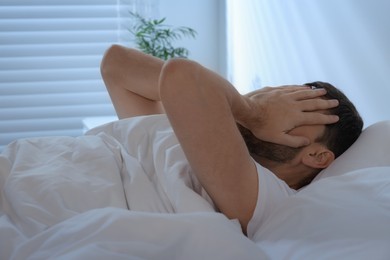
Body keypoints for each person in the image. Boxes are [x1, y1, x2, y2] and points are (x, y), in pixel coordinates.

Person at [100, 44, 363, 236]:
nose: (278, 106)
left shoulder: (269, 198)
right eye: (283, 97)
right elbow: (115, 64)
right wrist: (250, 111)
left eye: (299, 109)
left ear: (317, 156)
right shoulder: (189, 141)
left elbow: (184, 77)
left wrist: (255, 113)